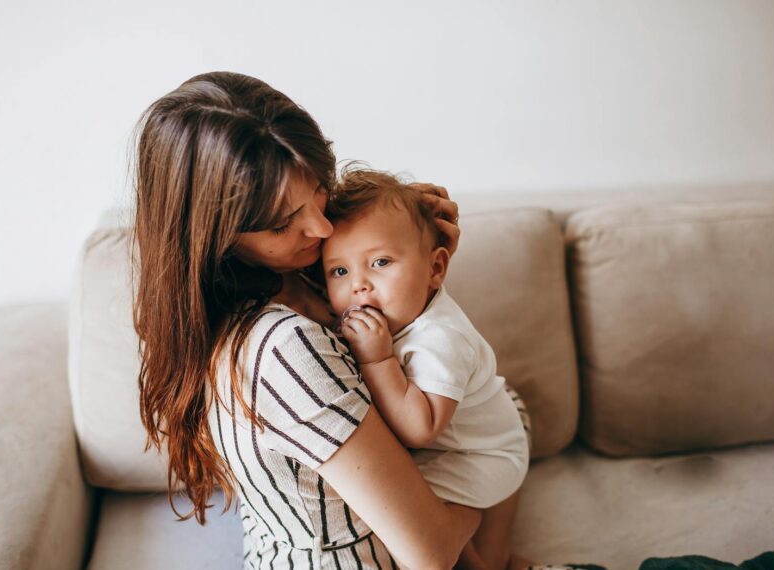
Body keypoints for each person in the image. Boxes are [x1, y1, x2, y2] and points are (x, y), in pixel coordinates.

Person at [131, 71, 532, 569]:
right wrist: (487, 487)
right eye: (283, 222)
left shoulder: (302, 269)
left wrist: (418, 257)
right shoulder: (282, 346)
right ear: (217, 237)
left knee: (495, 399)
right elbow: (429, 553)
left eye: (318, 189)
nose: (321, 228)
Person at [320, 167, 532, 570]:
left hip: (485, 456)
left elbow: (420, 428)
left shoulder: (440, 340)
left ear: (435, 269)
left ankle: (470, 537)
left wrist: (376, 359)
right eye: (339, 271)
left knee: (406, 509)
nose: (359, 285)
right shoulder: (391, 310)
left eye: (380, 262)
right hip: (467, 445)